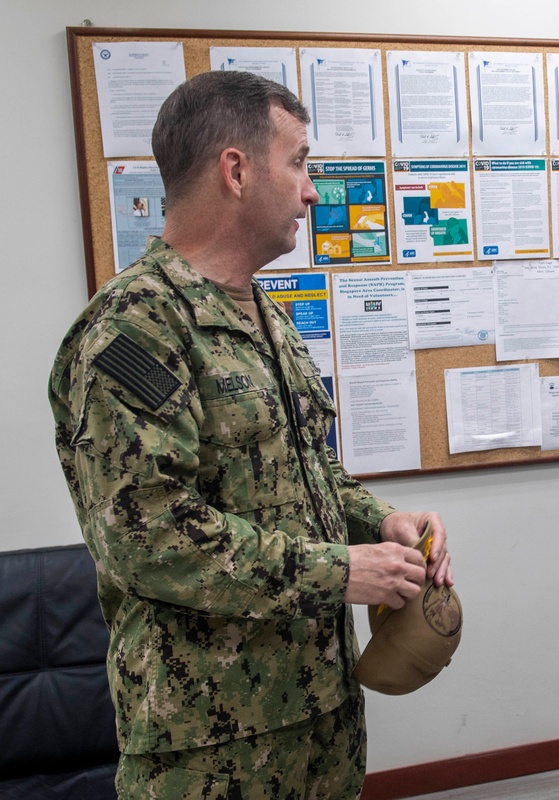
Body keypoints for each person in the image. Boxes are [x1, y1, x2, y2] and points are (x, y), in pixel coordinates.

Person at [49, 70, 453, 799]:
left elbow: (308, 477)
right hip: (208, 742)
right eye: (298, 162)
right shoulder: (134, 331)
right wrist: (340, 572)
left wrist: (380, 522)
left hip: (320, 714)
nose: (311, 191)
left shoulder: (263, 317)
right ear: (235, 170)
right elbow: (149, 539)